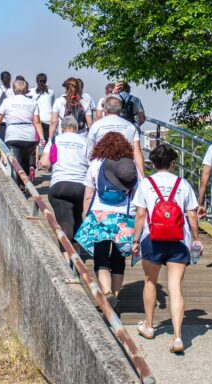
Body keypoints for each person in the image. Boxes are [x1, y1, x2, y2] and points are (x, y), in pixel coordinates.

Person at [132, 143, 202, 353]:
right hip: (179, 240)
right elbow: (192, 215)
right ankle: (178, 337)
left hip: (152, 239)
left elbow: (141, 215)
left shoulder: (146, 184)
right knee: (175, 287)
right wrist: (196, 239)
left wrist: (135, 240)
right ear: (172, 163)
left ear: (152, 164)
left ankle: (149, 326)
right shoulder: (183, 184)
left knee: (150, 281)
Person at [77, 132, 139, 312]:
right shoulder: (130, 166)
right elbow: (138, 195)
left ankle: (106, 292)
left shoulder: (96, 164)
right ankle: (116, 297)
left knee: (101, 256)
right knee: (119, 259)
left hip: (100, 215)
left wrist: (84, 215)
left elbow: (88, 195)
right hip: (125, 218)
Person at [40, 115, 89, 243]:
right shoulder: (86, 141)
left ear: (62, 128)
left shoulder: (55, 140)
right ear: (77, 128)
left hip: (60, 184)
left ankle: (68, 256)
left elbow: (44, 162)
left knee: (65, 222)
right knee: (78, 219)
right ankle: (76, 251)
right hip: (81, 186)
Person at [0, 79, 45, 186]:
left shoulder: (7, 101)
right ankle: (25, 185)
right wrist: (42, 137)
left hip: (13, 135)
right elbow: (37, 122)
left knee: (15, 164)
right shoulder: (32, 102)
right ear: (26, 90)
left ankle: (18, 187)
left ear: (13, 89)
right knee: (25, 162)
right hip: (29, 137)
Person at [85, 93, 145, 175]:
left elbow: (90, 150)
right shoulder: (130, 126)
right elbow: (137, 152)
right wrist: (142, 175)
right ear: (120, 110)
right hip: (125, 169)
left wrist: (91, 169)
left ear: (104, 110)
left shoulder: (96, 126)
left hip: (102, 169)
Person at [30, 73, 55, 164]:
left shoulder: (31, 92)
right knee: (48, 143)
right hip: (49, 118)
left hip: (38, 119)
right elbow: (52, 105)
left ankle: (36, 162)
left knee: (36, 142)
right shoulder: (51, 92)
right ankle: (47, 161)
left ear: (36, 81)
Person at [0, 71, 13, 142]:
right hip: (10, 121)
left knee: (2, 143)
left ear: (1, 80)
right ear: (10, 79)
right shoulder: (14, 91)